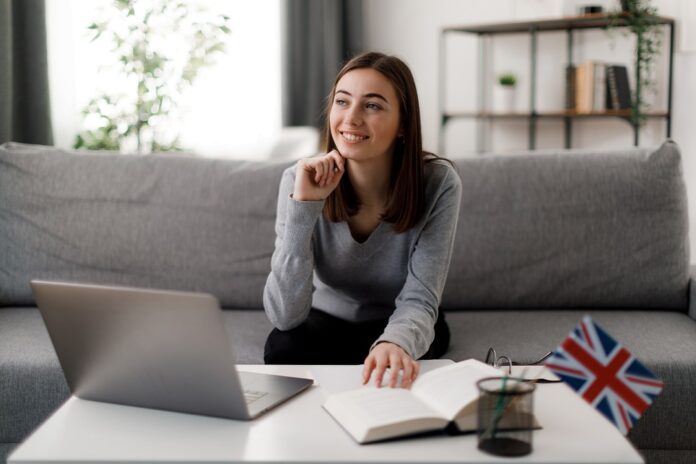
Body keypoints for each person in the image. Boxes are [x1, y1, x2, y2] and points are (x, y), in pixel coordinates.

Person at [263, 51, 462, 389]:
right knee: (282, 347)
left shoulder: (439, 183)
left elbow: (420, 298)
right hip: (327, 321)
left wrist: (395, 344)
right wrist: (305, 206)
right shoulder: (297, 180)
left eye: (372, 106)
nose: (351, 119)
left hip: (402, 319)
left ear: (403, 124)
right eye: (342, 102)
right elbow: (284, 315)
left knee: (402, 358)